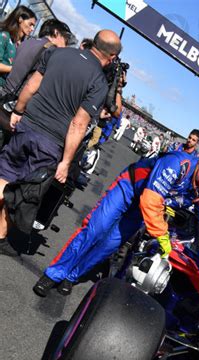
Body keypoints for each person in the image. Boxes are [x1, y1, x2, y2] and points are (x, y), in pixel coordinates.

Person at [32, 150, 199, 297]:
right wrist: (162, 235)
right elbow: (150, 199)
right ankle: (54, 274)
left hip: (143, 207)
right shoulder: (179, 163)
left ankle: (73, 275)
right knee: (95, 230)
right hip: (129, 188)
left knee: (110, 245)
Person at [0, 29, 121, 257]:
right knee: (22, 192)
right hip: (51, 141)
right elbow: (78, 124)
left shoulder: (59, 53)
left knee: (5, 177)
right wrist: (66, 162)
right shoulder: (99, 82)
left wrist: (18, 110)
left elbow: (31, 86)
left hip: (28, 125)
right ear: (112, 58)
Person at [0, 18, 70, 100]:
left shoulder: (27, 42)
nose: (66, 45)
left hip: (4, 93)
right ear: (56, 32)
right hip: (16, 101)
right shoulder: (50, 50)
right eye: (66, 39)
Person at [0, 5, 37, 88]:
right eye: (30, 24)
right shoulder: (3, 36)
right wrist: (16, 69)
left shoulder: (20, 43)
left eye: (34, 26)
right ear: (20, 19)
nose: (32, 29)